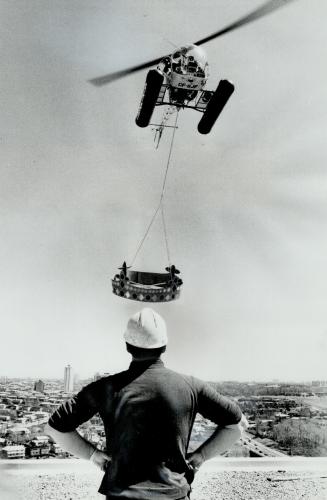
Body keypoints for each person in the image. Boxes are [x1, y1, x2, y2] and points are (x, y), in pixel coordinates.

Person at [45, 308, 247, 499]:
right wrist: (201, 456)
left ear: (127, 346)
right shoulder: (191, 387)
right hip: (174, 495)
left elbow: (55, 428)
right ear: (164, 346)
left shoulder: (104, 388)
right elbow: (237, 425)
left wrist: (93, 455)